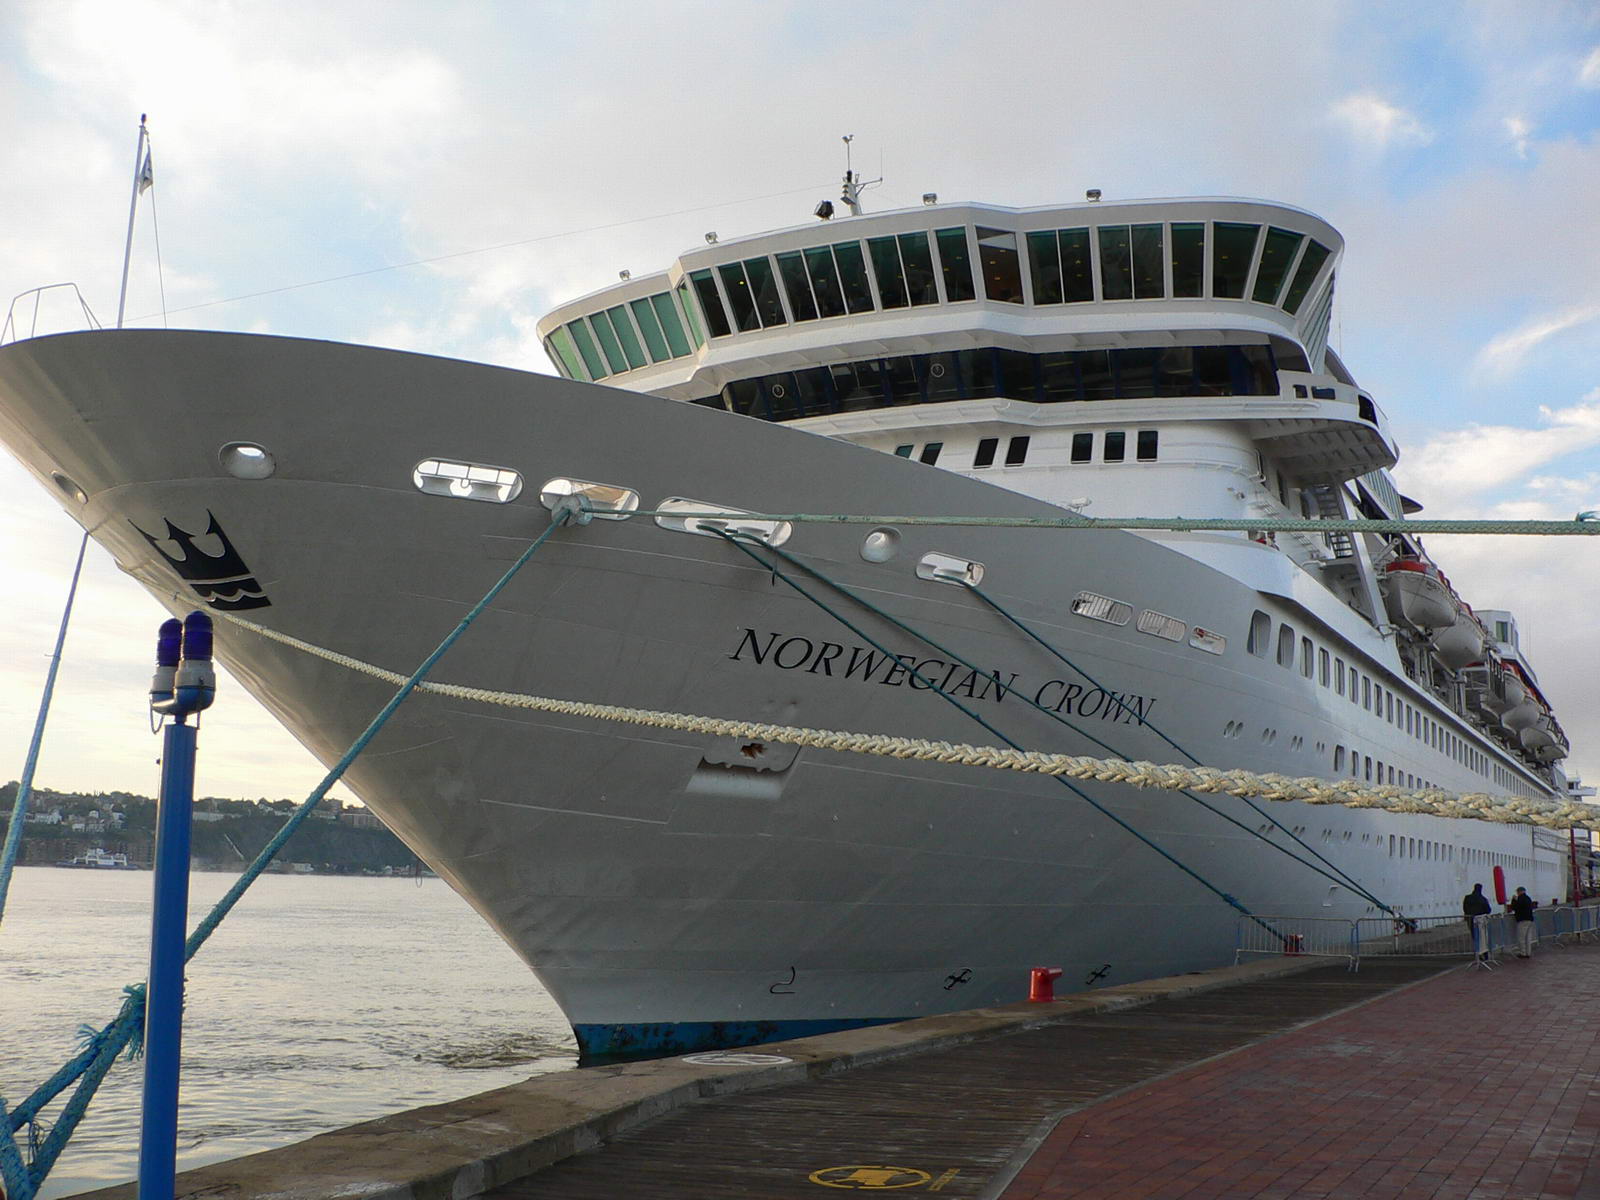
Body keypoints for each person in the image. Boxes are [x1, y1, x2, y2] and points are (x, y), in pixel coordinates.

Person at [1463, 883, 1492, 960]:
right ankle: (1485, 954)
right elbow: (1488, 910)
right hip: (1481, 920)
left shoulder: (1467, 898)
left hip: (1471, 919)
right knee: (1483, 938)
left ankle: (1477, 953)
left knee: (1475, 936)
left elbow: (1465, 908)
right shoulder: (1483, 899)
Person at [1508, 886, 1537, 958]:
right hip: (1530, 919)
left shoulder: (1520, 899)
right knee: (1528, 937)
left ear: (1519, 892)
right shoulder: (1528, 898)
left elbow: (1514, 907)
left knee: (1521, 937)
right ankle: (1528, 952)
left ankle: (1523, 953)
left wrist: (1514, 900)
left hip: (1522, 920)